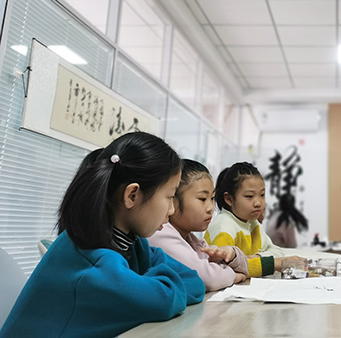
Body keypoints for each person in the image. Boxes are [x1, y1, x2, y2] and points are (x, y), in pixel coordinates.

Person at [0, 132, 205, 338]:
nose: (171, 210)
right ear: (131, 195)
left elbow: (194, 281)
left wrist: (152, 284)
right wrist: (157, 283)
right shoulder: (92, 265)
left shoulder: (131, 244)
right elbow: (164, 300)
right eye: (169, 196)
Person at [148, 159, 249, 291]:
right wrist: (234, 277)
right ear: (172, 199)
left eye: (212, 199)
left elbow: (243, 268)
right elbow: (207, 278)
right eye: (202, 199)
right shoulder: (160, 233)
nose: (210, 208)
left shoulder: (191, 239)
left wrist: (232, 254)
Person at [204, 162, 305, 277]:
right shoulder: (224, 227)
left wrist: (257, 257)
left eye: (262, 195)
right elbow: (224, 270)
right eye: (249, 196)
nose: (258, 203)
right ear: (229, 199)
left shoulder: (252, 223)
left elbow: (276, 251)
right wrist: (270, 263)